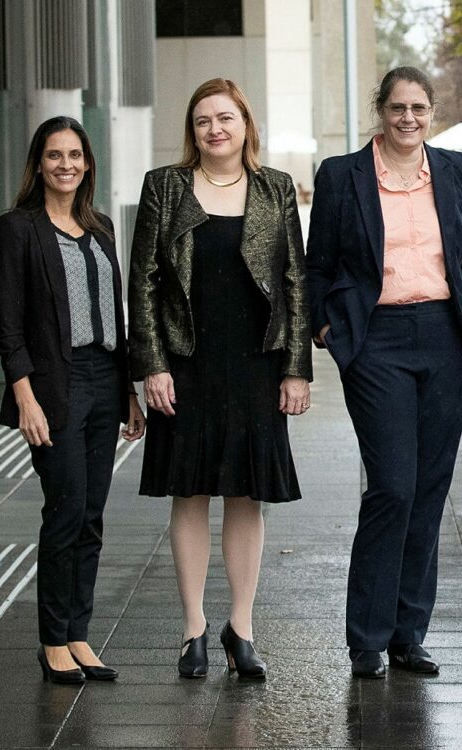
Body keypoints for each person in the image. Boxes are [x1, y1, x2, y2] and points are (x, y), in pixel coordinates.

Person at [306, 66, 462, 679]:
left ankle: (409, 635)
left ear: (431, 112)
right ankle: (367, 636)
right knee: (392, 483)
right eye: (396, 108)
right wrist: (324, 325)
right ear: (380, 111)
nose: (407, 118)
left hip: (446, 338)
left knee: (431, 486)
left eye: (418, 107)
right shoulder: (342, 175)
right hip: (377, 340)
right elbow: (318, 264)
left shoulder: (454, 169)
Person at [129, 78, 312, 681]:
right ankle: (193, 630)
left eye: (226, 118)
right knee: (190, 491)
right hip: (185, 361)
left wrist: (296, 369)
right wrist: (151, 364)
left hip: (256, 361)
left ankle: (241, 626)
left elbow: (293, 283)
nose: (215, 129)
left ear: (245, 125)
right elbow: (146, 281)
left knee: (245, 492)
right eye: (204, 119)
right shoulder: (165, 187)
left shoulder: (276, 188)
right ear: (194, 130)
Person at [0, 116, 145, 685]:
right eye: (54, 155)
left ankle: (79, 632)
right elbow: (6, 326)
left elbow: (116, 316)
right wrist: (24, 398)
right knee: (66, 507)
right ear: (38, 163)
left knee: (93, 514)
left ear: (88, 163)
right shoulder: (16, 229)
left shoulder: (100, 227)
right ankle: (52, 639)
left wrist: (128, 390)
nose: (66, 165)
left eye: (75, 155)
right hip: (54, 384)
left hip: (106, 378)